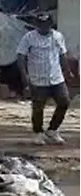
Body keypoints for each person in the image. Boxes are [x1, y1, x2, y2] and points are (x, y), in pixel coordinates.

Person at [17, 13, 70, 145]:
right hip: (38, 78)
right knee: (38, 107)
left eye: (47, 25)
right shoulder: (29, 38)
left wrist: (67, 71)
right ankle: (38, 133)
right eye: (41, 25)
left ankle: (53, 130)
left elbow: (62, 54)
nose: (44, 28)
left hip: (56, 77)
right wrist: (25, 76)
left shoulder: (58, 36)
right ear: (37, 25)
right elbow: (21, 57)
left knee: (64, 102)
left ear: (51, 25)